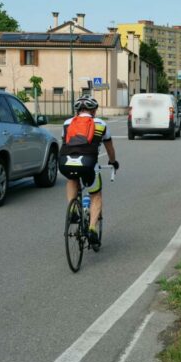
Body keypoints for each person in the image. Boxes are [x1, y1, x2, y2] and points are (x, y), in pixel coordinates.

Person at [58, 96, 119, 248]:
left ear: (77, 111)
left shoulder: (67, 123)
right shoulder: (101, 124)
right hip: (88, 164)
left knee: (72, 178)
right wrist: (113, 162)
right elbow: (109, 149)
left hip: (65, 163)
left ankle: (72, 209)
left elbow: (65, 143)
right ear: (93, 110)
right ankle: (92, 229)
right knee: (96, 195)